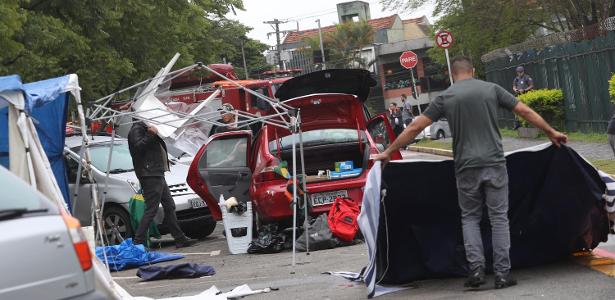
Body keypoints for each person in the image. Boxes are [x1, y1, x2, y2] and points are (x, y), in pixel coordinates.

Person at [373, 56, 567, 290]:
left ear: (452, 75)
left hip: (465, 167)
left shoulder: (446, 97)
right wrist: (550, 131)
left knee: (470, 218)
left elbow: (415, 127)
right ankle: (503, 274)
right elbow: (524, 110)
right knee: (498, 219)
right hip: (494, 163)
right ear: (472, 71)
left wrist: (389, 151)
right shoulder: (491, 89)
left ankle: (476, 270)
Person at [128, 120, 198, 249]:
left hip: (156, 172)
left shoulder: (146, 127)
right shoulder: (137, 129)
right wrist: (150, 134)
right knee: (151, 209)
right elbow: (137, 148)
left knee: (169, 205)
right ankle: (138, 242)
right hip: (150, 174)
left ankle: (180, 238)